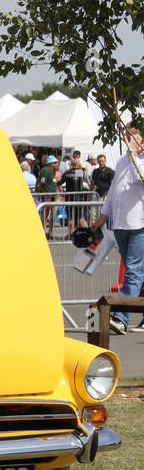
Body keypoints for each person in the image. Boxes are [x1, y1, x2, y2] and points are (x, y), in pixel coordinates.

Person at [89, 128, 144, 333]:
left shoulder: (138, 160)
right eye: (127, 136)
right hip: (121, 224)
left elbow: (141, 177)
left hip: (139, 224)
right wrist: (102, 217)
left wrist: (135, 155)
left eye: (133, 136)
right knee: (139, 274)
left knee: (133, 271)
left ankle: (121, 317)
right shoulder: (122, 160)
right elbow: (114, 191)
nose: (129, 139)